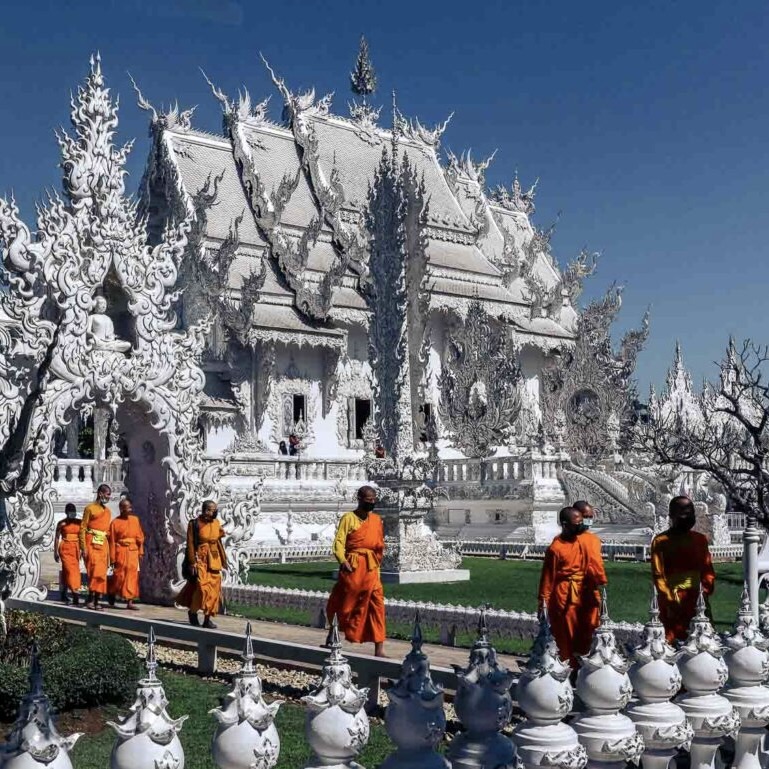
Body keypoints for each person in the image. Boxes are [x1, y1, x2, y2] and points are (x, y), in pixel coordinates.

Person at [538, 506, 607, 668]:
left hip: (583, 592)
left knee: (587, 631)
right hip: (564, 595)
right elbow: (547, 578)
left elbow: (593, 565)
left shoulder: (582, 542)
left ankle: (585, 665)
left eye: (582, 522)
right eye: (577, 523)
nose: (581, 526)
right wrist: (543, 602)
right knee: (566, 634)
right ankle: (568, 667)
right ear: (565, 524)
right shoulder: (555, 548)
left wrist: (596, 583)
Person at [326, 485, 386, 657]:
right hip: (353, 566)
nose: (371, 503)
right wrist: (343, 560)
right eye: (368, 500)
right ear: (359, 499)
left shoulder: (376, 520)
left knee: (377, 606)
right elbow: (339, 542)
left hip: (372, 569)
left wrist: (376, 565)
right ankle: (333, 634)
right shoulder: (348, 518)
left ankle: (379, 648)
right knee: (346, 604)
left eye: (374, 500)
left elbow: (379, 545)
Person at [651, 495, 716, 642]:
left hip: (697, 598)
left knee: (703, 642)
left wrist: (705, 590)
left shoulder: (700, 539)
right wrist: (670, 599)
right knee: (672, 643)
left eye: (690, 513)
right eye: (683, 513)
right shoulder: (661, 541)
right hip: (672, 599)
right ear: (671, 516)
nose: (687, 517)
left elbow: (707, 568)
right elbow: (658, 574)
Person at [176, 500, 228, 628]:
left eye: (213, 510)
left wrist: (224, 560)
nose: (210, 512)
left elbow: (219, 541)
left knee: (213, 592)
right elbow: (191, 543)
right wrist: (192, 562)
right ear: (203, 509)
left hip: (214, 561)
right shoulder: (194, 524)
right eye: (208, 509)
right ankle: (193, 613)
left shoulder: (216, 523)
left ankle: (207, 620)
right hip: (201, 560)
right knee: (202, 589)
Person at [79, 484, 113, 611]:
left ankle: (97, 599)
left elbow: (107, 531)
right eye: (107, 494)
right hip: (91, 543)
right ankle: (91, 598)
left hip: (103, 545)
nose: (109, 497)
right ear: (100, 493)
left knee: (101, 573)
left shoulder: (108, 512)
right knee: (93, 572)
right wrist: (83, 548)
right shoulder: (90, 508)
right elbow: (82, 528)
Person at [108, 498, 145, 610]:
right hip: (121, 551)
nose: (130, 509)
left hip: (133, 551)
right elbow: (112, 541)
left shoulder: (135, 520)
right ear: (121, 509)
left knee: (132, 576)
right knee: (119, 575)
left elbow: (140, 538)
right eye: (127, 507)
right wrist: (112, 558)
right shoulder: (115, 522)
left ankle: (130, 601)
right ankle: (112, 592)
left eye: (130, 507)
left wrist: (141, 552)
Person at [53, 503, 82, 605]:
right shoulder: (61, 524)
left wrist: (83, 549)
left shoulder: (80, 522)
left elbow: (83, 537)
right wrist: (55, 552)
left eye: (73, 512)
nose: (72, 514)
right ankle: (75, 593)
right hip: (65, 548)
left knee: (68, 571)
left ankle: (63, 593)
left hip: (76, 549)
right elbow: (57, 538)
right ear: (66, 512)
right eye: (70, 512)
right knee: (70, 571)